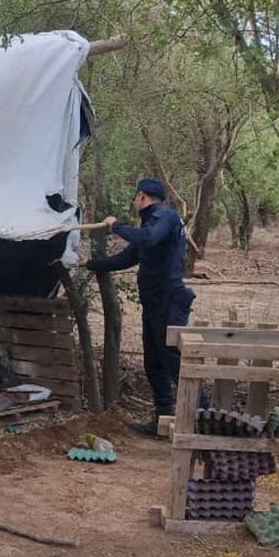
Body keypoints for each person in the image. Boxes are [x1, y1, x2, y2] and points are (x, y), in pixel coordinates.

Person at [83, 177, 195, 436]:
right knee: (154, 362)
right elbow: (128, 257)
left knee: (173, 361)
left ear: (142, 197)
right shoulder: (152, 224)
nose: (134, 201)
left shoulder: (163, 218)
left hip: (169, 300)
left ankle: (204, 418)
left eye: (135, 197)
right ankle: (162, 421)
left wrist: (116, 226)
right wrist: (90, 264)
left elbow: (146, 239)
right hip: (154, 302)